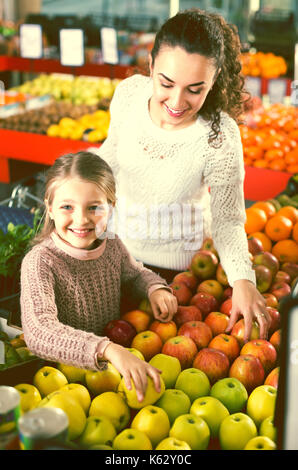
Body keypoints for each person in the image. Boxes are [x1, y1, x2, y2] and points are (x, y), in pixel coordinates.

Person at [89, 8, 270, 342]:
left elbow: (228, 220)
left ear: (214, 81)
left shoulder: (219, 135)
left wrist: (243, 280)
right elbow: (111, 156)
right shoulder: (129, 95)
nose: (176, 101)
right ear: (152, 64)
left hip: (179, 282)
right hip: (113, 260)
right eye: (166, 83)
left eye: (195, 89)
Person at [20, 151, 178, 402]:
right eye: (67, 207)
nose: (81, 220)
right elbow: (39, 331)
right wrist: (106, 349)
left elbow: (135, 274)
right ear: (49, 209)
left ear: (111, 208)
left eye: (94, 207)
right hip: (61, 386)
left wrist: (154, 288)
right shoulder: (41, 261)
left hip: (113, 375)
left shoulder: (111, 245)